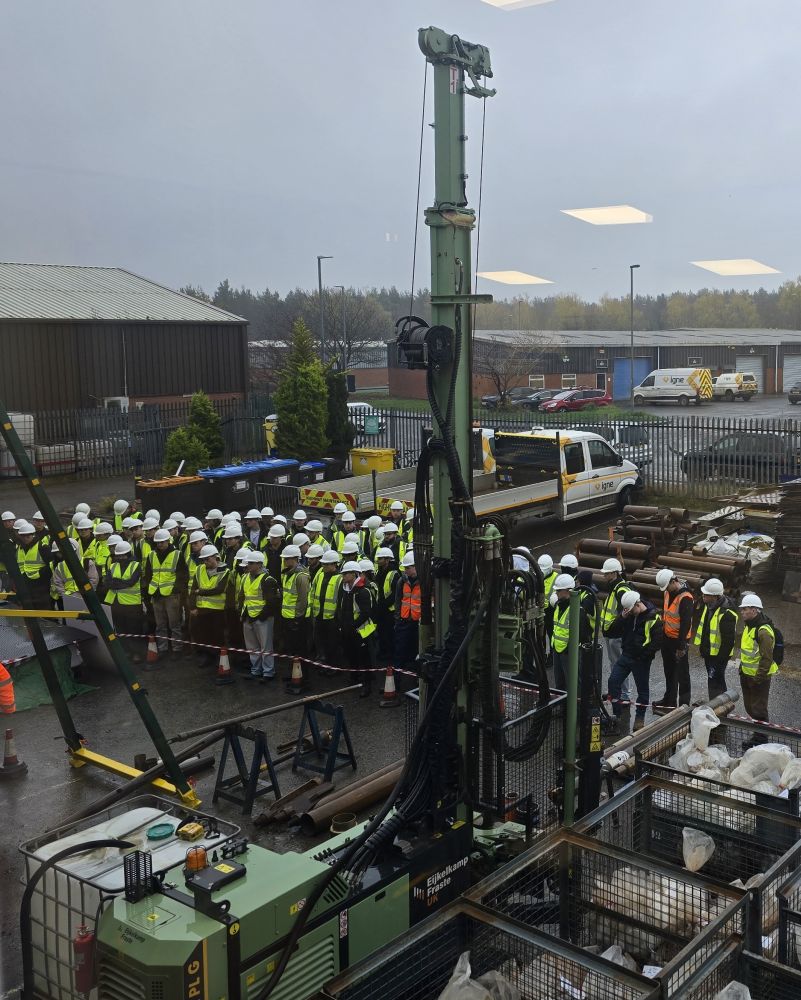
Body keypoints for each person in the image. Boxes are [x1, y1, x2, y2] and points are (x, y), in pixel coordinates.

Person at [606, 590, 663, 732]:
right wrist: (621, 617)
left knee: (642, 692)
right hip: (626, 656)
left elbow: (657, 642)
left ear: (638, 604)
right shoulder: (629, 615)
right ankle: (616, 714)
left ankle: (640, 718)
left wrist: (643, 657)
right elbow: (611, 632)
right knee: (613, 681)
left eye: (631, 610)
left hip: (640, 661)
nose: (630, 613)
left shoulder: (653, 617)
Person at [143, 528, 186, 664]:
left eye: (162, 542)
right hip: (156, 594)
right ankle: (163, 648)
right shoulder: (151, 555)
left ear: (168, 541)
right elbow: (148, 574)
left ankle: (177, 649)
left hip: (171, 595)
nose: (160, 544)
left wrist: (175, 589)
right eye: (158, 542)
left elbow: (183, 575)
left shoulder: (177, 555)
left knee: (174, 623)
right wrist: (151, 590)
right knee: (160, 624)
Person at [653, 569, 694, 708]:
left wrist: (681, 645)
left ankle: (683, 705)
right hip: (667, 638)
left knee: (682, 675)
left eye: (667, 586)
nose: (666, 590)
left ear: (673, 581)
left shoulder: (686, 597)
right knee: (669, 671)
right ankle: (669, 700)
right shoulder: (667, 592)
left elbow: (686, 623)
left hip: (679, 641)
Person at [336, 560, 377, 698]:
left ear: (354, 574)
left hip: (361, 631)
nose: (343, 577)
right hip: (349, 630)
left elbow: (366, 613)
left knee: (365, 658)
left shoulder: (363, 591)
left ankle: (367, 684)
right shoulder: (346, 589)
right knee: (351, 655)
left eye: (345, 574)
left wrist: (353, 626)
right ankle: (354, 677)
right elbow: (342, 607)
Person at [548, 574, 594, 689]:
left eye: (559, 590)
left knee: (572, 685)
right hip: (557, 650)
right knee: (560, 683)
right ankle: (562, 706)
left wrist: (570, 649)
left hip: (569, 652)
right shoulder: (559, 606)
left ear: (568, 591)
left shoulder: (577, 610)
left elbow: (583, 634)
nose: (556, 593)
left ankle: (575, 706)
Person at [240, 550, 280, 681]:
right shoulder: (245, 577)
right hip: (248, 617)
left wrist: (260, 616)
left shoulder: (268, 580)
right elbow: (243, 596)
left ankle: (268, 672)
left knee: (266, 646)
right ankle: (256, 670)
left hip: (263, 618)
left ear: (259, 564)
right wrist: (244, 614)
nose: (248, 566)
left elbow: (272, 602)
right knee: (252, 647)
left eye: (251, 563)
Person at [694, 578, 737, 699]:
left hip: (718, 656)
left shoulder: (726, 613)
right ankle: (716, 706)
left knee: (716, 682)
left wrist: (720, 660)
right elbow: (705, 629)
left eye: (706, 594)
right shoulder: (709, 606)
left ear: (715, 596)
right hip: (710, 653)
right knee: (713, 680)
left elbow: (728, 641)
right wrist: (703, 649)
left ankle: (720, 708)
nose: (703, 596)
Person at [738, 593, 777, 723]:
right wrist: (742, 669)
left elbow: (766, 659)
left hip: (758, 678)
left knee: (759, 710)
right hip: (747, 674)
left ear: (754, 610)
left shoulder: (763, 631)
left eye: (745, 609)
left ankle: (761, 738)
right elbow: (748, 652)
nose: (741, 612)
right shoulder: (749, 625)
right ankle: (757, 734)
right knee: (750, 707)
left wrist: (758, 679)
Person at [103, 541, 144, 663]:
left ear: (128, 554)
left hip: (132, 605)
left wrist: (116, 582)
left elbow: (131, 582)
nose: (120, 558)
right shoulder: (113, 565)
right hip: (116, 603)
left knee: (134, 630)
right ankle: (126, 651)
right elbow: (107, 583)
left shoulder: (136, 565)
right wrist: (119, 583)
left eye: (122, 555)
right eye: (118, 556)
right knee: (120, 629)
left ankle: (137, 653)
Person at [189, 544, 229, 669]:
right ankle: (207, 656)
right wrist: (192, 607)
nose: (206, 562)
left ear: (216, 557)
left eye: (208, 559)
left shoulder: (226, 571)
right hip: (202, 609)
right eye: (204, 560)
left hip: (217, 610)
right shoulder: (199, 569)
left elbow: (219, 589)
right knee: (203, 634)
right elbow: (193, 589)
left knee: (217, 635)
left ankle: (219, 657)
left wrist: (200, 591)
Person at [600, 558, 632, 712]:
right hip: (611, 634)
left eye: (606, 574)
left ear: (613, 573)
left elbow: (626, 612)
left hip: (616, 635)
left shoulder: (621, 590)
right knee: (615, 665)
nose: (604, 576)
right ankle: (617, 692)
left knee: (620, 665)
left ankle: (624, 696)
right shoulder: (615, 588)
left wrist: (616, 624)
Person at [277, 544, 310, 680]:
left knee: (299, 649)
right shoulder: (287, 574)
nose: (284, 561)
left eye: (287, 558)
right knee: (290, 648)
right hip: (287, 617)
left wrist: (297, 618)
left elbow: (303, 600)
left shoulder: (300, 576)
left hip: (296, 620)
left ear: (295, 559)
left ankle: (302, 674)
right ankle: (293, 672)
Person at [311, 550, 342, 665]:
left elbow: (341, 600)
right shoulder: (320, 576)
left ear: (333, 564)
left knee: (333, 645)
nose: (323, 566)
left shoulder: (340, 578)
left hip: (332, 619)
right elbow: (312, 592)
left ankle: (333, 667)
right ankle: (324, 663)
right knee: (321, 642)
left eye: (325, 564)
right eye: (323, 564)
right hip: (319, 615)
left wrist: (338, 619)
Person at [394, 551, 421, 676]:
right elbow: (398, 601)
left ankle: (417, 677)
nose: (405, 570)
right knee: (400, 650)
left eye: (408, 568)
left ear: (416, 566)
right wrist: (398, 618)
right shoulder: (402, 581)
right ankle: (397, 678)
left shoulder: (425, 581)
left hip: (418, 622)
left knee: (418, 650)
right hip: (404, 621)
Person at [15, 521, 52, 609]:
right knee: (28, 609)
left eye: (28, 536)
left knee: (44, 609)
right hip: (24, 584)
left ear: (33, 535)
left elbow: (51, 565)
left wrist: (41, 573)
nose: (25, 538)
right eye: (23, 536)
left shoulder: (42, 547)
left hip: (40, 584)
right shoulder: (19, 548)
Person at [374, 547, 400, 665]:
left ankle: (390, 656)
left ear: (388, 559)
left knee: (389, 634)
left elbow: (395, 594)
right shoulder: (380, 572)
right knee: (382, 632)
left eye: (381, 558)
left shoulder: (394, 574)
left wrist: (383, 604)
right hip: (381, 610)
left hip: (389, 611)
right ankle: (384, 652)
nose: (378, 560)